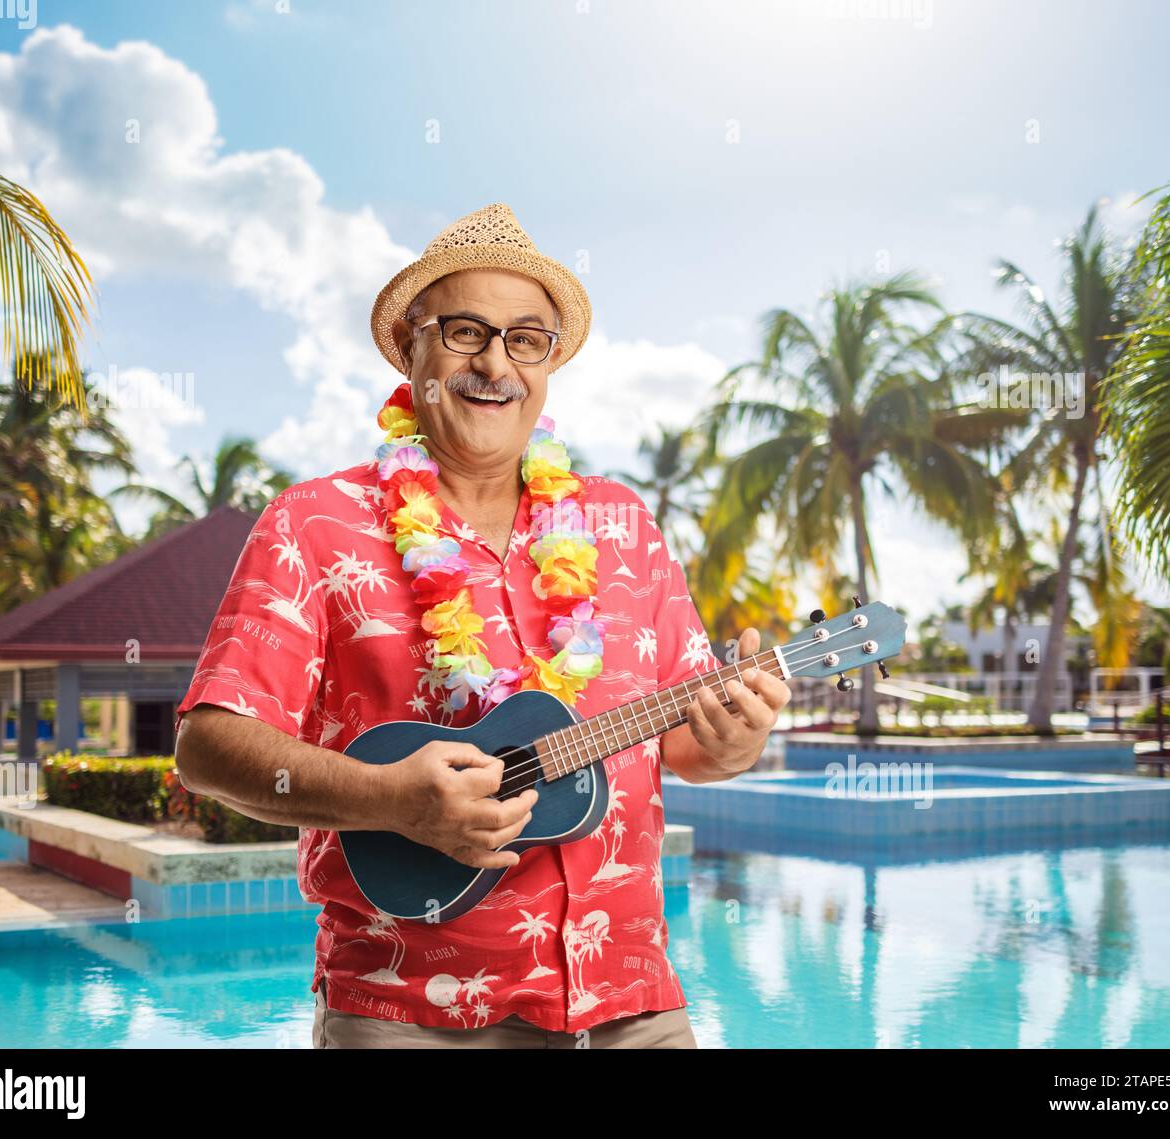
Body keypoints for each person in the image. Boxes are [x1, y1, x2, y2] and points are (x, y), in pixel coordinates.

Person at [173, 202, 790, 1049]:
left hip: (633, 1005)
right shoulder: (314, 524)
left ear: (546, 365)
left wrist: (731, 743)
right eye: (466, 331)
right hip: (410, 1012)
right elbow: (208, 748)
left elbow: (688, 746)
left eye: (525, 339)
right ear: (411, 346)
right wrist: (390, 799)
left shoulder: (623, 526)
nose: (495, 362)